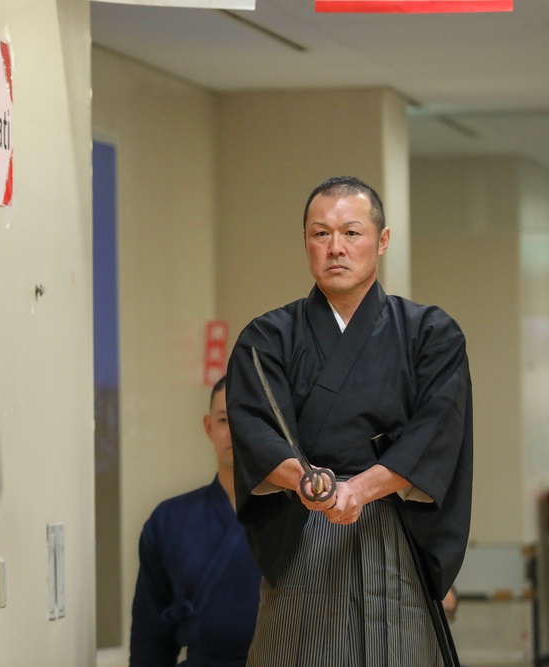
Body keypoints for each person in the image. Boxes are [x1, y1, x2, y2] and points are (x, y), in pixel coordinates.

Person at [226, 175, 473, 665]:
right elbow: (255, 431)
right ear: (305, 242)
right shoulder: (268, 337)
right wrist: (310, 483)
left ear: (381, 241)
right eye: (321, 234)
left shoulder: (430, 334)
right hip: (304, 530)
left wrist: (358, 491)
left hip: (390, 528)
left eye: (351, 233)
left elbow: (434, 433)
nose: (335, 247)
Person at [130, 377, 261, 666]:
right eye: (225, 419)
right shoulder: (168, 521)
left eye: (245, 418)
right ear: (208, 426)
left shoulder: (292, 517)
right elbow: (149, 638)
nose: (234, 431)